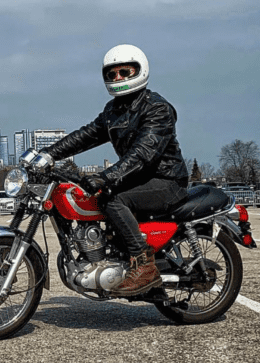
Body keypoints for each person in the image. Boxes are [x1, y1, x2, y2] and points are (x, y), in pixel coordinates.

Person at [40, 44, 189, 296]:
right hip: (138, 179)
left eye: (125, 71)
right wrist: (47, 154)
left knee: (111, 198)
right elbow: (85, 136)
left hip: (166, 180)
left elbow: (143, 154)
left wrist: (105, 178)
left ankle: (144, 265)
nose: (118, 78)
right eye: (112, 74)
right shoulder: (113, 110)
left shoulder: (157, 108)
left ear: (139, 71)